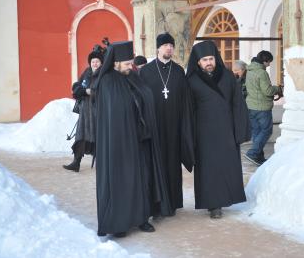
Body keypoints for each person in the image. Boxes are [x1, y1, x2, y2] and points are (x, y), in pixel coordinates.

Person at [93, 41, 172, 237]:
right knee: (122, 181)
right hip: (118, 144)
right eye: (127, 63)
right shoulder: (107, 82)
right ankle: (119, 223)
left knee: (144, 179)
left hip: (141, 140)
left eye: (131, 63)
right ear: (116, 63)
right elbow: (112, 114)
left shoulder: (134, 77)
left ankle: (142, 218)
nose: (131, 66)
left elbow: (145, 99)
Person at [186, 40, 250, 219]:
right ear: (198, 62)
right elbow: (187, 110)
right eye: (204, 59)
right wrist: (189, 135)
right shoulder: (191, 81)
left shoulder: (228, 76)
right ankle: (213, 204)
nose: (208, 62)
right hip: (203, 132)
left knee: (227, 166)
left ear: (216, 59)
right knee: (209, 169)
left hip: (226, 130)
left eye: (211, 59)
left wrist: (239, 129)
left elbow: (237, 103)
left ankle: (226, 198)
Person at [139, 33, 195, 215]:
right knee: (155, 165)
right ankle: (155, 205)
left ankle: (171, 204)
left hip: (174, 128)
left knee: (172, 165)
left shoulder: (179, 71)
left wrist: (185, 126)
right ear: (158, 48)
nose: (169, 48)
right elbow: (139, 101)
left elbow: (185, 101)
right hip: (154, 127)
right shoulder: (145, 71)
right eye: (166, 46)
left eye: (171, 45)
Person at [63, 50, 103, 172]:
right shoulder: (87, 72)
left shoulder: (104, 75)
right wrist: (84, 91)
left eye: (97, 61)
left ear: (101, 63)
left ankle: (103, 164)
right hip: (85, 112)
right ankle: (76, 163)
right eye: (93, 61)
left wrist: (94, 92)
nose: (95, 64)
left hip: (99, 112)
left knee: (100, 138)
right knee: (80, 137)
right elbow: (77, 87)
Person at [244, 51, 282, 166]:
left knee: (257, 132)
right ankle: (253, 153)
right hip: (262, 108)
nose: (269, 65)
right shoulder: (262, 73)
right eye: (269, 62)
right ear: (265, 61)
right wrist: (277, 89)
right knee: (266, 131)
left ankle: (258, 157)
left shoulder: (249, 71)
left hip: (251, 106)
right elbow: (267, 91)